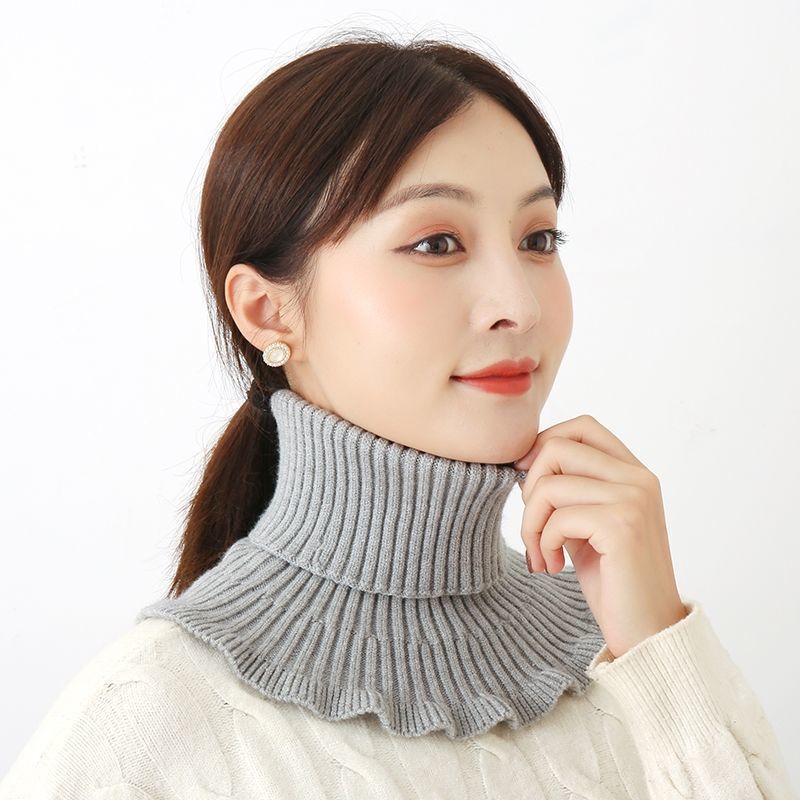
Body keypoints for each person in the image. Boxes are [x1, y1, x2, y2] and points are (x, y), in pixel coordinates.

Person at [1, 30, 796, 800]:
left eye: (538, 238)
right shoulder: (145, 728)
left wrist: (657, 641)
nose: (519, 305)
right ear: (268, 311)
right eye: (437, 243)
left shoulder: (626, 648)